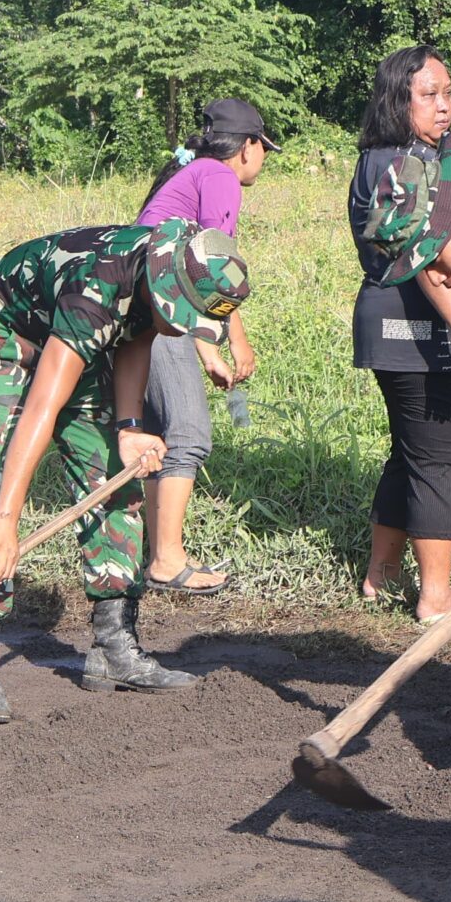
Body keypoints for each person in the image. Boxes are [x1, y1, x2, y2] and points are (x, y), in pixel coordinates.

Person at [0, 219, 252, 723]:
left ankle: (114, 646)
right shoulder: (96, 290)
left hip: (71, 339)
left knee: (112, 474)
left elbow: (136, 339)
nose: (185, 329)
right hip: (3, 335)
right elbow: (42, 406)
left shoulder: (173, 261)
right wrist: (9, 519)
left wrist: (128, 429)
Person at [347, 46, 451, 624]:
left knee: (411, 453)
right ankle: (436, 593)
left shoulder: (395, 158)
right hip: (418, 330)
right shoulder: (405, 164)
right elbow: (421, 250)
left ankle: (383, 574)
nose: (444, 106)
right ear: (398, 101)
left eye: (447, 93)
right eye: (428, 95)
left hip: (396, 326)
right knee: (439, 459)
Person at [133, 96, 275, 595]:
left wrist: (208, 347)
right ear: (248, 146)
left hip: (139, 310)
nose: (263, 159)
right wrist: (232, 343)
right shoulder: (218, 176)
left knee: (159, 436)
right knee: (188, 434)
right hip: (157, 311)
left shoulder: (191, 173)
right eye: (264, 148)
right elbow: (214, 269)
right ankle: (167, 560)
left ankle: (158, 554)